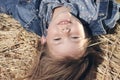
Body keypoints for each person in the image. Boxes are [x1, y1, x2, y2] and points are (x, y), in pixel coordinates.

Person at [0, 0, 119, 80]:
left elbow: (8, 4)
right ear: (86, 38)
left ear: (44, 39)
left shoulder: (30, 17)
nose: (65, 31)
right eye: (75, 37)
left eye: (57, 39)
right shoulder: (100, 15)